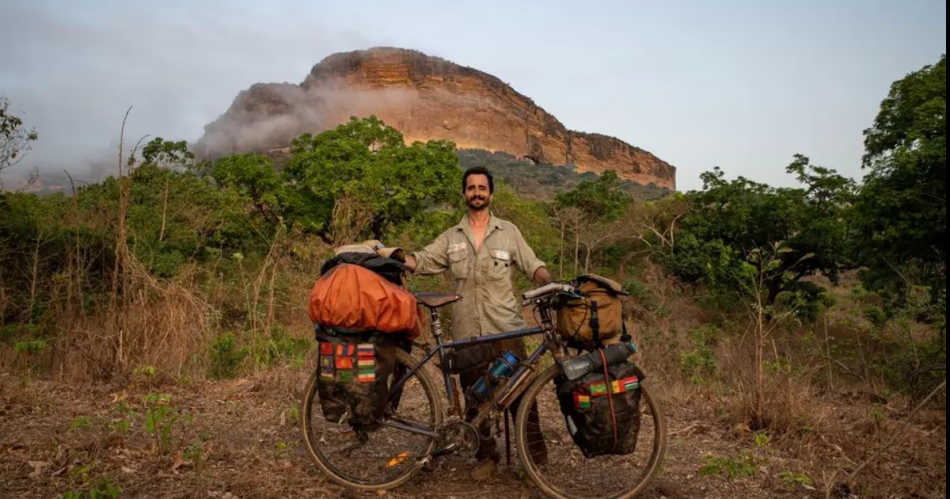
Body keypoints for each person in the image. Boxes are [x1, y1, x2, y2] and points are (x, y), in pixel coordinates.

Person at [404, 166, 552, 481]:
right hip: (467, 334)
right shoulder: (451, 237)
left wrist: (549, 284)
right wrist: (396, 257)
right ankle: (487, 457)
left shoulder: (509, 232)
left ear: (490, 193)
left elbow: (533, 265)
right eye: (471, 188)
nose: (476, 192)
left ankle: (535, 461)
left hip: (507, 330)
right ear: (464, 194)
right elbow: (424, 260)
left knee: (523, 397)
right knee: (474, 400)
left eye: (481, 187)